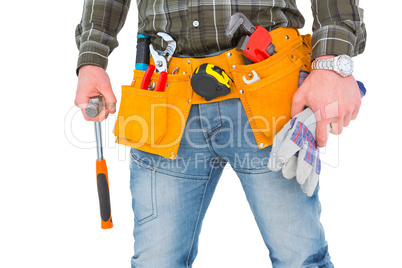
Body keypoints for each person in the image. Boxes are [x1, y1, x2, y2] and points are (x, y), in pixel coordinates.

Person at [75, 0, 366, 267]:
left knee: (300, 258)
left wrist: (332, 61)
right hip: (164, 92)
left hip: (269, 81)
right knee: (155, 261)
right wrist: (91, 59)